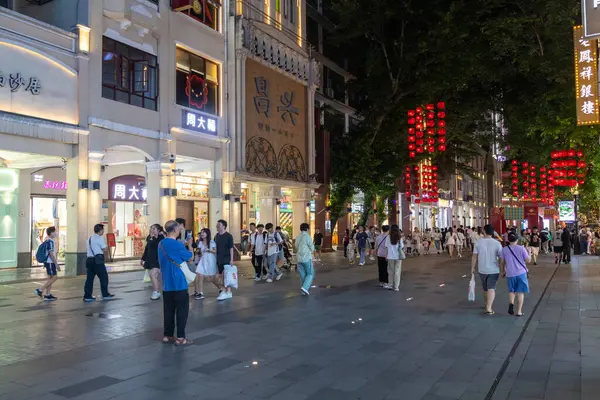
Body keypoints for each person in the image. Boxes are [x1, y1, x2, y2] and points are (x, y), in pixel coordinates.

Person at [158, 220, 193, 345]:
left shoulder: (161, 244)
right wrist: (189, 245)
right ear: (174, 230)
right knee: (182, 311)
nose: (179, 231)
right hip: (179, 282)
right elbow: (190, 257)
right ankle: (180, 338)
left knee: (168, 310)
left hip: (166, 283)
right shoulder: (177, 244)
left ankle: (167, 336)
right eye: (178, 229)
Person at [471, 225, 503, 315]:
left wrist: (472, 268)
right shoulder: (497, 243)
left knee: (485, 288)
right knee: (491, 288)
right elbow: (501, 258)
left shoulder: (478, 243)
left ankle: (486, 304)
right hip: (494, 270)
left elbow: (474, 257)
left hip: (482, 269)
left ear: (484, 231)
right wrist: (502, 269)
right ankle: (489, 308)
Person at [500, 231, 530, 317]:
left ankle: (511, 304)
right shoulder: (521, 248)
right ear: (517, 239)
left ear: (508, 240)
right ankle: (519, 311)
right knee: (520, 292)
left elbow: (502, 262)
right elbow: (528, 260)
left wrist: (502, 271)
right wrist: (529, 253)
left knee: (512, 291)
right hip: (521, 273)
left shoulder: (504, 249)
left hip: (510, 273)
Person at [83, 224, 115, 302]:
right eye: (103, 230)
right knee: (104, 277)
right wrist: (107, 247)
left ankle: (87, 296)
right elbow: (104, 249)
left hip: (89, 260)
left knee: (89, 279)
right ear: (100, 230)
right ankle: (105, 294)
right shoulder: (100, 238)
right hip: (97, 261)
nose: (103, 231)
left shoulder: (89, 239)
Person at [35, 226, 59, 301]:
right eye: (54, 231)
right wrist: (56, 264)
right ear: (51, 233)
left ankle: (47, 295)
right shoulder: (50, 241)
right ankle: (40, 290)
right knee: (54, 277)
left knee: (50, 278)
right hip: (50, 262)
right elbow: (51, 253)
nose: (56, 233)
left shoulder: (48, 240)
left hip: (48, 262)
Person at [194, 228, 219, 299]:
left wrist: (209, 250)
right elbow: (198, 252)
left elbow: (215, 251)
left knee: (212, 278)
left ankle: (221, 288)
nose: (202, 234)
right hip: (202, 261)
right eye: (201, 232)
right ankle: (200, 293)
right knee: (200, 275)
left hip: (210, 261)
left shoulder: (211, 242)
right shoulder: (200, 242)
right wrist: (198, 255)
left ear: (207, 234)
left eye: (203, 232)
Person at [141, 224, 163, 300]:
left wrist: (153, 237)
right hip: (151, 260)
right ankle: (159, 291)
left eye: (154, 228)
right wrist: (143, 259)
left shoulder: (161, 238)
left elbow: (156, 244)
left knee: (152, 274)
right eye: (151, 228)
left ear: (159, 230)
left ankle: (156, 292)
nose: (152, 230)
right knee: (158, 277)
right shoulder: (149, 237)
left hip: (158, 260)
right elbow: (147, 248)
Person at [215, 219, 234, 300]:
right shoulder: (216, 236)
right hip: (219, 259)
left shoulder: (229, 236)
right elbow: (215, 248)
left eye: (219, 225)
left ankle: (225, 291)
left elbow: (231, 248)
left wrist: (232, 259)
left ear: (224, 226)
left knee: (225, 276)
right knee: (221, 276)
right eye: (217, 225)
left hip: (227, 259)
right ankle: (228, 292)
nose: (217, 226)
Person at [295, 223, 315, 295]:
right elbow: (312, 248)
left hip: (299, 258)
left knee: (302, 274)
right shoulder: (307, 236)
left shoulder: (298, 237)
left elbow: (296, 247)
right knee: (310, 273)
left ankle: (303, 290)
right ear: (307, 229)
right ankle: (305, 287)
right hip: (306, 257)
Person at [385, 225, 404, 291]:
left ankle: (390, 284)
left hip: (390, 256)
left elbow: (386, 247)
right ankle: (396, 287)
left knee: (390, 271)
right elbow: (401, 247)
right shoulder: (399, 237)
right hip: (398, 256)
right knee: (397, 272)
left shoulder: (388, 237)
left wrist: (386, 255)